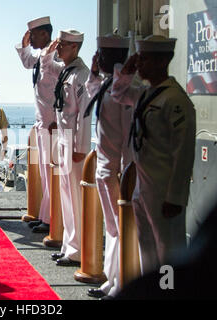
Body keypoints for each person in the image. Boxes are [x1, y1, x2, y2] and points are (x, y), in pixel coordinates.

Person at [111, 35, 196, 275]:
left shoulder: (175, 100)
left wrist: (176, 197)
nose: (140, 65)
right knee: (147, 247)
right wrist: (126, 70)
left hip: (164, 189)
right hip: (143, 185)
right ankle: (153, 292)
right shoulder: (145, 94)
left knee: (168, 251)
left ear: (162, 62)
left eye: (145, 59)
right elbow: (118, 93)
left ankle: (168, 292)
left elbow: (184, 153)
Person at [84, 34, 133, 299]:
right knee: (112, 229)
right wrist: (94, 72)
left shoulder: (124, 89)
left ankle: (121, 283)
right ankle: (111, 278)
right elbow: (94, 94)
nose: (97, 58)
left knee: (121, 228)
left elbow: (128, 137)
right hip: (104, 167)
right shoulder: (107, 84)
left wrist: (126, 172)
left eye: (101, 55)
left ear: (113, 58)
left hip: (117, 170)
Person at [40, 30, 92, 266]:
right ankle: (69, 245)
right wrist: (49, 51)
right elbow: (46, 67)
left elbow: (84, 114)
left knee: (75, 196)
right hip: (63, 137)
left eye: (62, 45)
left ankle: (78, 249)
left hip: (73, 141)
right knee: (65, 196)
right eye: (58, 44)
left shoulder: (82, 75)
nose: (58, 48)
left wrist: (81, 146)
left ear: (75, 47)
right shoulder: (66, 71)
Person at [15, 16, 59, 233]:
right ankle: (45, 216)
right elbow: (27, 63)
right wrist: (24, 45)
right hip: (43, 124)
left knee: (52, 175)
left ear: (45, 34)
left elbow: (65, 92)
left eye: (33, 35)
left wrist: (59, 121)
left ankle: (52, 221)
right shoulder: (42, 55)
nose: (30, 38)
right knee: (44, 174)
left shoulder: (56, 57)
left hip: (54, 126)